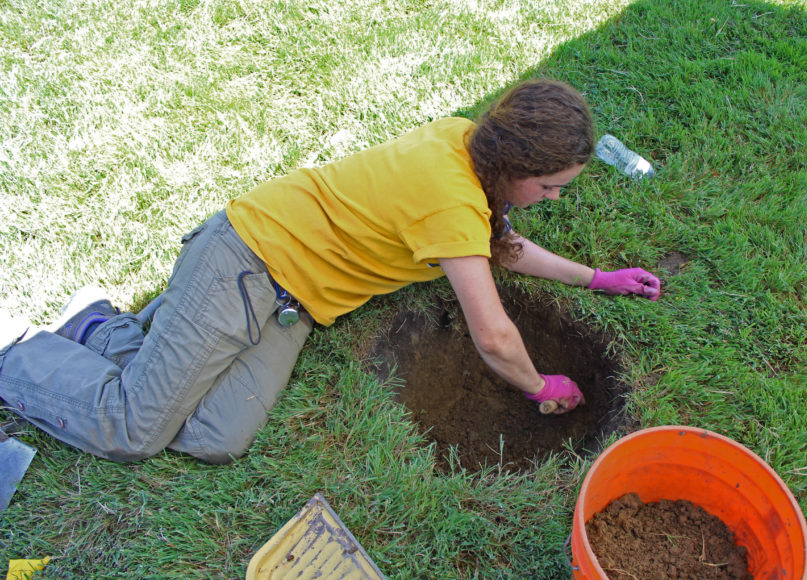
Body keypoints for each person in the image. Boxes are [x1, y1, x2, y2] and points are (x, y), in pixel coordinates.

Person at [0, 79, 660, 464]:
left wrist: (597, 279)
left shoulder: (470, 146)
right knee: (136, 429)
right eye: (549, 187)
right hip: (245, 259)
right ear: (513, 163)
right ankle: (14, 349)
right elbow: (493, 336)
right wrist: (539, 385)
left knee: (214, 439)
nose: (553, 199)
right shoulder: (451, 200)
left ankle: (100, 331)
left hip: (291, 298)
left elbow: (501, 246)